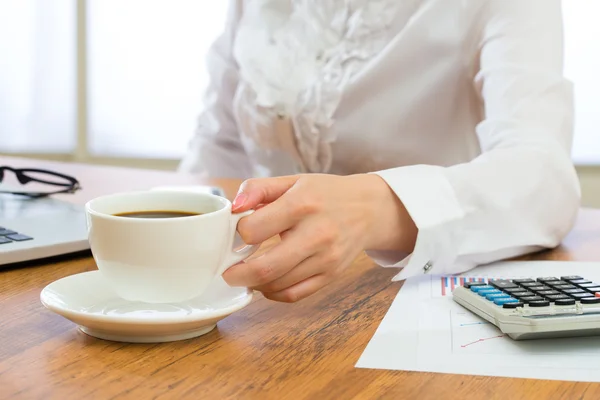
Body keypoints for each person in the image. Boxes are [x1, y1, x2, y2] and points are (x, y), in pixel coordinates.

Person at [179, 0, 580, 303]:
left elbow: (545, 179)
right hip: (253, 308)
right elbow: (218, 147)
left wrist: (377, 207)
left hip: (412, 300)